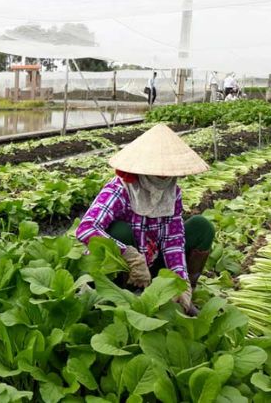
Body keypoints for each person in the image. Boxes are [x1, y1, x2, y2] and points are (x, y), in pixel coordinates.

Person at [75, 124, 214, 316]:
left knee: (201, 226)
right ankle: (123, 294)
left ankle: (178, 299)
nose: (166, 176)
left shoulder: (172, 193)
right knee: (120, 231)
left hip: (153, 262)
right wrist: (130, 256)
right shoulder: (121, 188)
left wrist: (180, 281)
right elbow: (86, 228)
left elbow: (172, 241)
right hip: (123, 267)